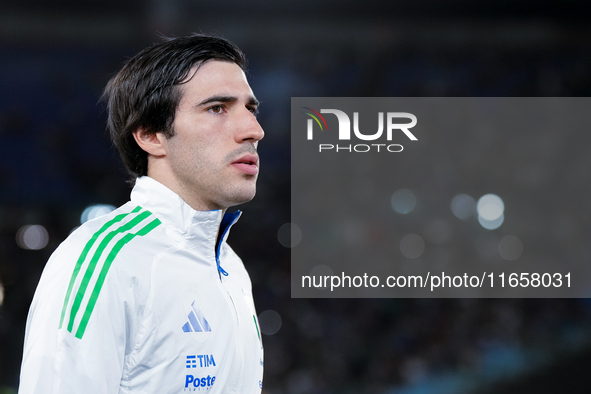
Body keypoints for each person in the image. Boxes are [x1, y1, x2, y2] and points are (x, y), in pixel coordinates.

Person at [19, 34, 265, 394]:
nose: (253, 130)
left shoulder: (232, 268)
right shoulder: (103, 260)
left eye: (250, 109)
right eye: (217, 108)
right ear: (150, 135)